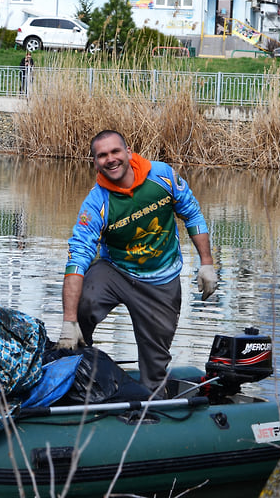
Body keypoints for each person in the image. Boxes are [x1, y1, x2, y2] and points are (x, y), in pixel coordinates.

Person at [56, 130, 218, 395]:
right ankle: (76, 366)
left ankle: (153, 406)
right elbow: (77, 258)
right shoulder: (96, 203)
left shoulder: (163, 176)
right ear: (95, 163)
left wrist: (207, 263)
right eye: (102, 156)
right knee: (84, 300)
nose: (110, 159)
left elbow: (192, 213)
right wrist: (68, 320)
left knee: (154, 369)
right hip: (115, 272)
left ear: (128, 152)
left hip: (161, 279)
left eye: (115, 152)